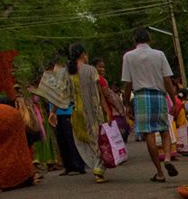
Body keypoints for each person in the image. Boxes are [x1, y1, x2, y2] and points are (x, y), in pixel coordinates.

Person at [121, 27, 178, 182]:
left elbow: (128, 83)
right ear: (149, 39)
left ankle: (159, 172)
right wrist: (174, 100)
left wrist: (126, 102)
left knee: (149, 134)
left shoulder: (128, 57)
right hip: (158, 95)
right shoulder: (159, 55)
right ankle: (167, 158)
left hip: (140, 96)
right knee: (164, 129)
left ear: (135, 40)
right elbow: (167, 79)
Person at [66, 44, 108, 184]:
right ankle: (98, 167)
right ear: (83, 54)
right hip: (93, 111)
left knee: (84, 140)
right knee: (97, 139)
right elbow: (100, 93)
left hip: (77, 112)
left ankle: (94, 164)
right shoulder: (91, 70)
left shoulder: (68, 72)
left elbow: (61, 94)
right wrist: (106, 109)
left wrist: (53, 112)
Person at [38, 58, 85, 176]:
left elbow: (60, 95)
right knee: (62, 141)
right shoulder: (52, 77)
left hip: (67, 111)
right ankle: (68, 166)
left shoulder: (64, 76)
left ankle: (77, 165)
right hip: (57, 113)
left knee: (70, 140)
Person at [0, 98, 37, 191]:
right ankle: (25, 177)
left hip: (0, 120)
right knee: (18, 147)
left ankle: (2, 182)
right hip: (15, 115)